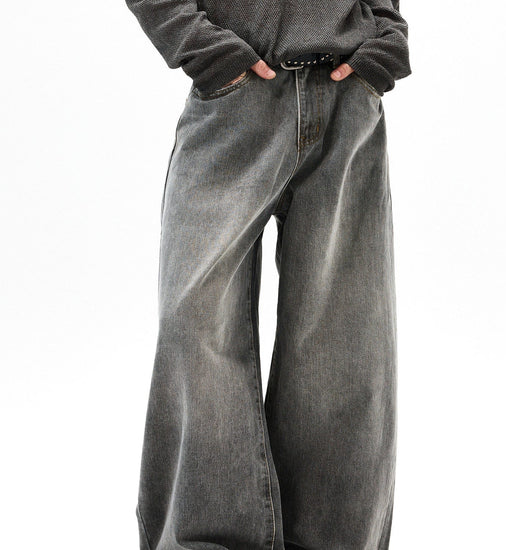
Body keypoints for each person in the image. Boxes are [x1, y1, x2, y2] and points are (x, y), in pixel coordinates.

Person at [125, 0, 411, 548]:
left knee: (343, 341)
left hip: (348, 93)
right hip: (233, 97)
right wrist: (203, 49)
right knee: (194, 320)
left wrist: (385, 34)